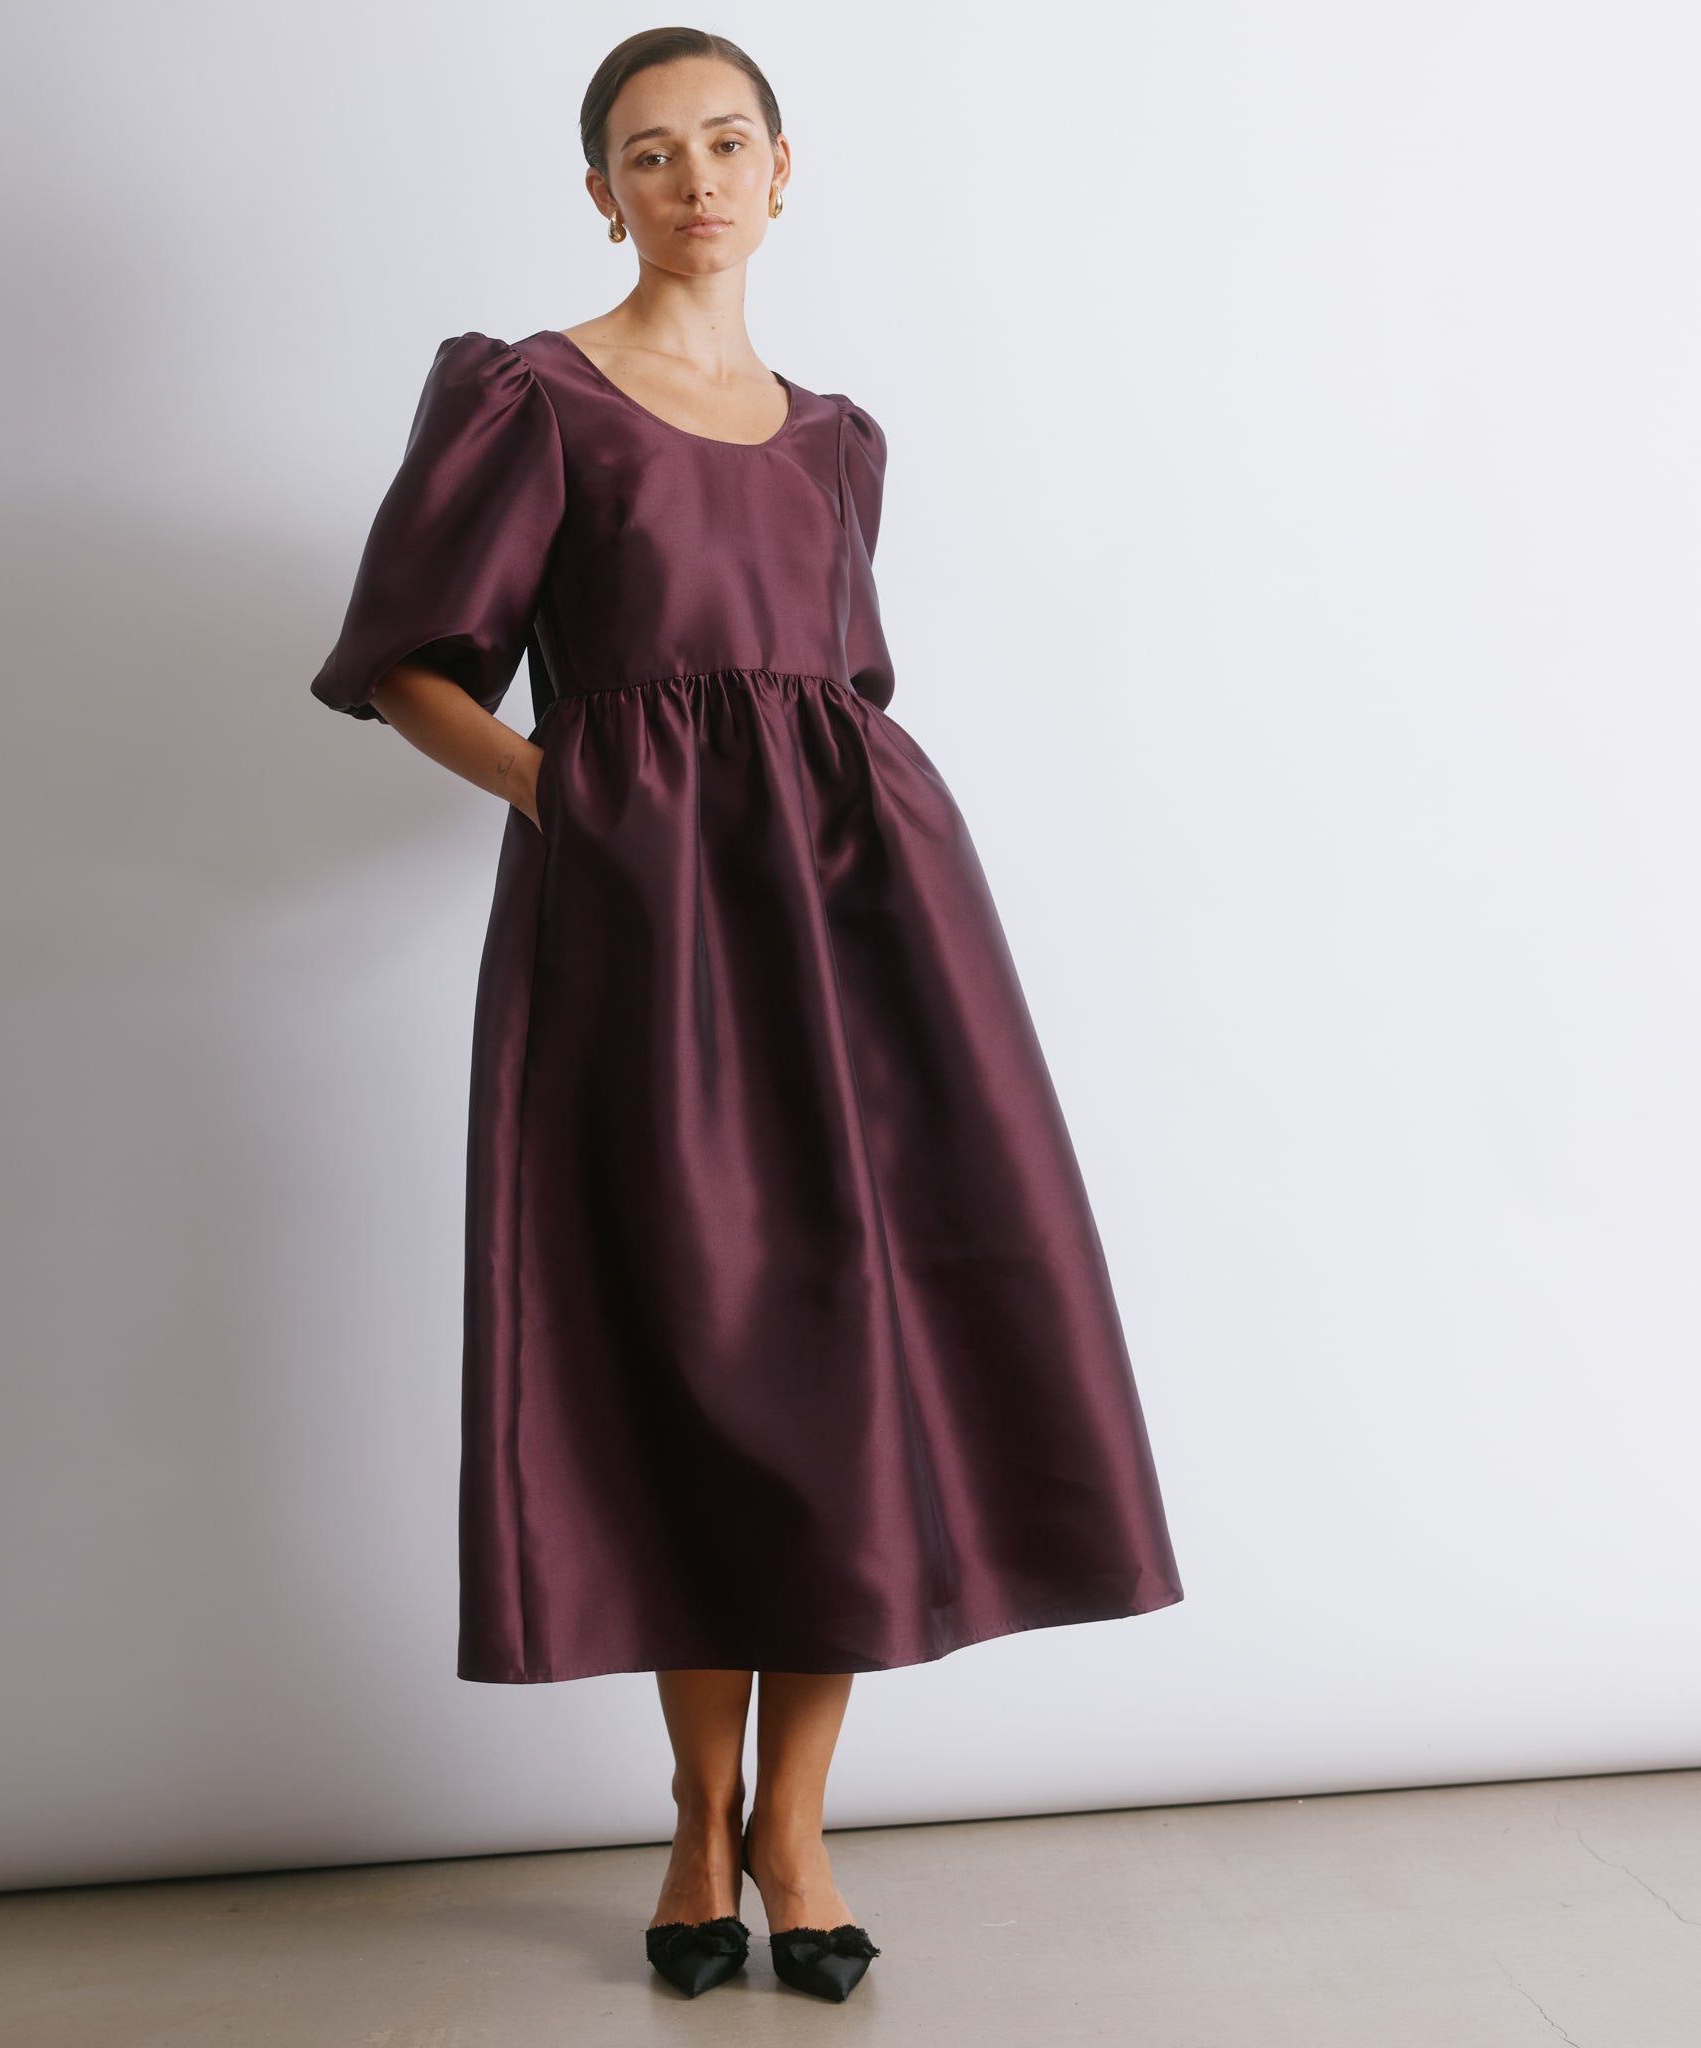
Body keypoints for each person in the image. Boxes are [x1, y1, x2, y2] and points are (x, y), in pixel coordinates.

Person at [310, 26, 1185, 2005]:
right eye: (648, 150)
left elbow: (837, 698)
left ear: (783, 171)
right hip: (642, 937)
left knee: (857, 1356)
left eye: (724, 141)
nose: (691, 176)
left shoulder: (840, 439)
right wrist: (567, 801)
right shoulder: (530, 397)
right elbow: (409, 666)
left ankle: (794, 1826)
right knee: (688, 1350)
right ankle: (695, 1815)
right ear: (599, 190)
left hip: (871, 934)